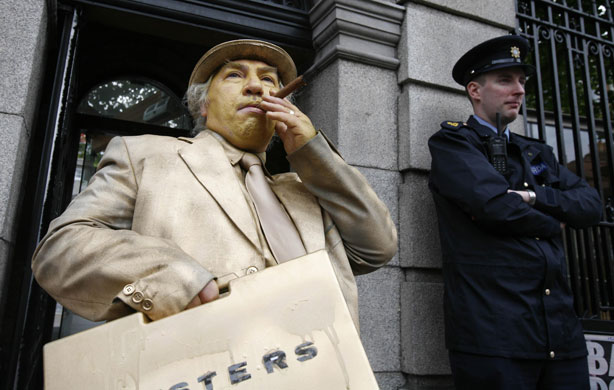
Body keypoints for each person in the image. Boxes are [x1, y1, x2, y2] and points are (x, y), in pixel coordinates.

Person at [31, 39, 397, 329]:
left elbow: (377, 248)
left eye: (269, 80)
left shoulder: (307, 188)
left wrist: (314, 153)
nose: (256, 86)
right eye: (235, 76)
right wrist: (165, 274)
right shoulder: (144, 155)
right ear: (203, 105)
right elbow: (61, 248)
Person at [428, 35, 602, 390]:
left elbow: (592, 206)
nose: (519, 90)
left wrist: (533, 197)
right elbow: (495, 207)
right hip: (495, 336)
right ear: (475, 90)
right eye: (506, 80)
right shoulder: (455, 143)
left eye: (522, 81)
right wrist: (557, 218)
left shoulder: (536, 153)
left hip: (561, 335)